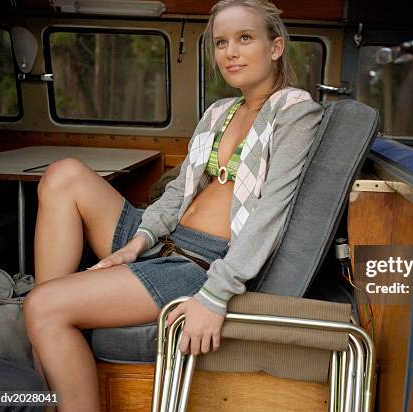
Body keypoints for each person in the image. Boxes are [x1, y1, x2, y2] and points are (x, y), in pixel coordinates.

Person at [22, 0, 323, 410]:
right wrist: (138, 241)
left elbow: (273, 213)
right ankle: (48, 345)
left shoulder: (295, 112)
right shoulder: (219, 111)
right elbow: (179, 191)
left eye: (245, 38)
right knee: (64, 173)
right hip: (164, 238)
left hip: (197, 263)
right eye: (220, 42)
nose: (230, 52)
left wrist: (216, 296)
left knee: (43, 305)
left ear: (275, 47)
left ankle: (48, 327)